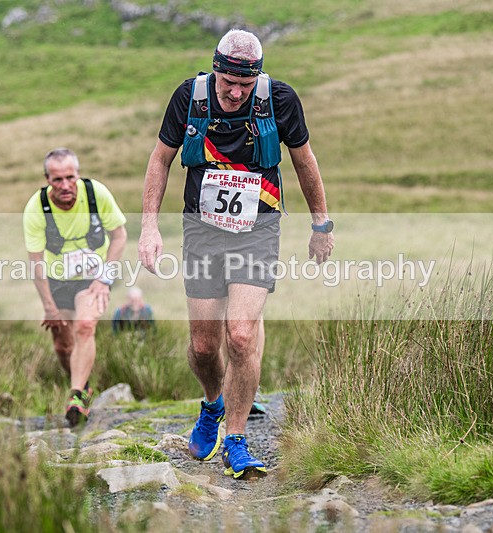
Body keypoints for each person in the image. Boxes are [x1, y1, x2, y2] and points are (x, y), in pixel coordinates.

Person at [138, 29, 334, 479]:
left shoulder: (279, 100)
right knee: (204, 347)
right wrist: (149, 226)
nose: (234, 91)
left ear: (257, 79)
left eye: (244, 85)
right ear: (216, 69)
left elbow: (305, 161)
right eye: (228, 80)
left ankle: (237, 440)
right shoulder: (190, 97)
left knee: (241, 334)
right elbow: (160, 159)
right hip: (202, 232)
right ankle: (213, 403)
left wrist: (320, 224)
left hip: (257, 231)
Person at [24, 148, 127, 427]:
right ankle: (84, 384)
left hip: (93, 276)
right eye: (57, 180)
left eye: (70, 177)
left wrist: (104, 278)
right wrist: (49, 306)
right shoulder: (37, 208)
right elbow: (36, 263)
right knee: (62, 343)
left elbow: (119, 236)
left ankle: (76, 396)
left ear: (78, 175)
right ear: (47, 179)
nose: (65, 185)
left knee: (84, 325)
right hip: (57, 279)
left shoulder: (96, 194)